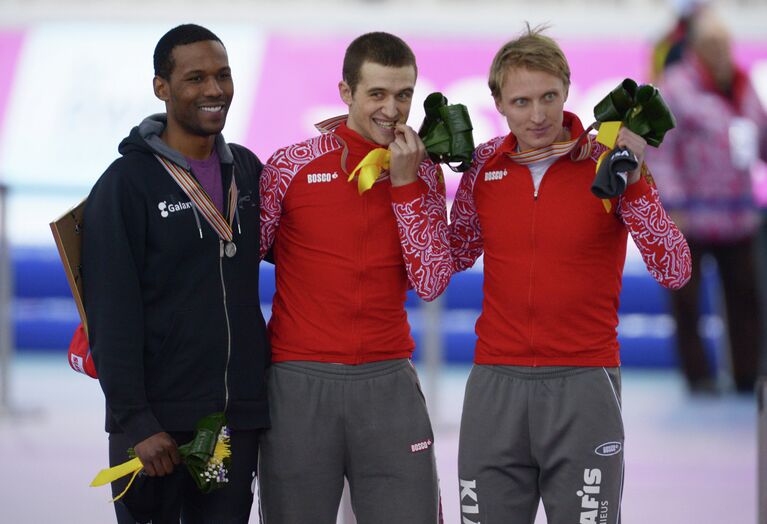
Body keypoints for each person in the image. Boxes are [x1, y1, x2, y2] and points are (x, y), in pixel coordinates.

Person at [449, 25, 691, 523]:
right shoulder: (483, 168)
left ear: (567, 87)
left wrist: (638, 180)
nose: (537, 115)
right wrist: (417, 185)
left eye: (548, 97)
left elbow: (675, 270)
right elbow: (450, 256)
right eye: (520, 102)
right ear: (496, 101)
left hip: (585, 382)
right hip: (496, 383)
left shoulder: (608, 161)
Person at [257, 31, 450, 523]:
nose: (392, 108)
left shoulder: (424, 172)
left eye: (403, 94)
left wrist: (405, 185)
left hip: (387, 379)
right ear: (346, 92)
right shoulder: (290, 166)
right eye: (377, 94)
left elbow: (431, 282)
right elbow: (234, 264)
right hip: (299, 382)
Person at [82, 24, 269, 523]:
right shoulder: (126, 185)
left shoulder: (247, 172)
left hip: (233, 422)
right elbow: (109, 313)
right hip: (156, 428)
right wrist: (137, 421)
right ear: (161, 87)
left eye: (223, 75)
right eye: (196, 78)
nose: (214, 90)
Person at [650, 7, 766, 394]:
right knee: (686, 301)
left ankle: (747, 375)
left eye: (724, 43)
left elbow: (761, 138)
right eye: (711, 44)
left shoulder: (744, 85)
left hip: (739, 215)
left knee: (745, 297)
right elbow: (662, 151)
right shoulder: (675, 87)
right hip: (691, 217)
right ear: (696, 47)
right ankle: (697, 376)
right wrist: (673, 204)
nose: (719, 51)